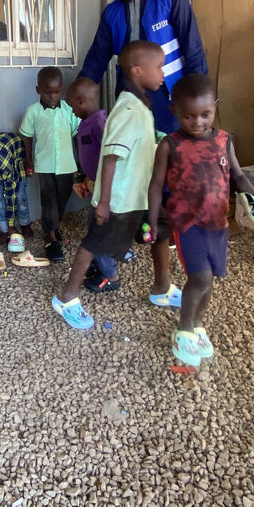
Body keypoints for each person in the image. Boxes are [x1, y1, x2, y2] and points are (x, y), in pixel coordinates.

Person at [148, 73, 254, 367]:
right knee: (199, 278)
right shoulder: (170, 145)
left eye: (205, 114)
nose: (198, 122)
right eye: (189, 116)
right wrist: (153, 220)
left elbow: (238, 176)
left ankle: (198, 326)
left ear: (215, 106)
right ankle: (184, 331)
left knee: (210, 281)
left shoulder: (224, 140)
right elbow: (155, 185)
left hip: (217, 223)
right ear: (174, 112)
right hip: (186, 224)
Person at [52, 41, 177, 330]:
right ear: (136, 70)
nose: (162, 73)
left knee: (160, 233)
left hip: (143, 193)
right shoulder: (126, 109)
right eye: (158, 67)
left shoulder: (141, 105)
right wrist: (104, 201)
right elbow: (109, 157)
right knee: (94, 243)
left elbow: (143, 143)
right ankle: (66, 297)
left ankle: (162, 287)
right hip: (121, 198)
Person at [80, 0, 208, 134]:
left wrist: (199, 94)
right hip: (129, 96)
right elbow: (96, 59)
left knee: (168, 150)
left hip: (170, 94)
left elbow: (193, 48)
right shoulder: (111, 13)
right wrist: (81, 89)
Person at [65, 76, 120, 293]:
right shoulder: (86, 123)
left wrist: (104, 187)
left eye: (72, 107)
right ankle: (100, 266)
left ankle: (111, 275)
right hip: (95, 186)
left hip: (105, 191)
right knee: (94, 228)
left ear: (81, 101)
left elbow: (111, 155)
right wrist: (87, 181)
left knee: (98, 232)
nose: (72, 111)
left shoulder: (99, 123)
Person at [20, 66, 79, 262]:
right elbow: (27, 135)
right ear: (38, 90)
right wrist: (28, 157)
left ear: (61, 89)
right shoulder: (33, 111)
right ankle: (51, 238)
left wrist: (83, 159)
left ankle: (54, 226)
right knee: (48, 201)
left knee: (62, 199)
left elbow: (76, 135)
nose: (53, 96)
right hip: (44, 165)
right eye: (48, 92)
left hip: (67, 165)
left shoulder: (69, 110)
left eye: (57, 92)